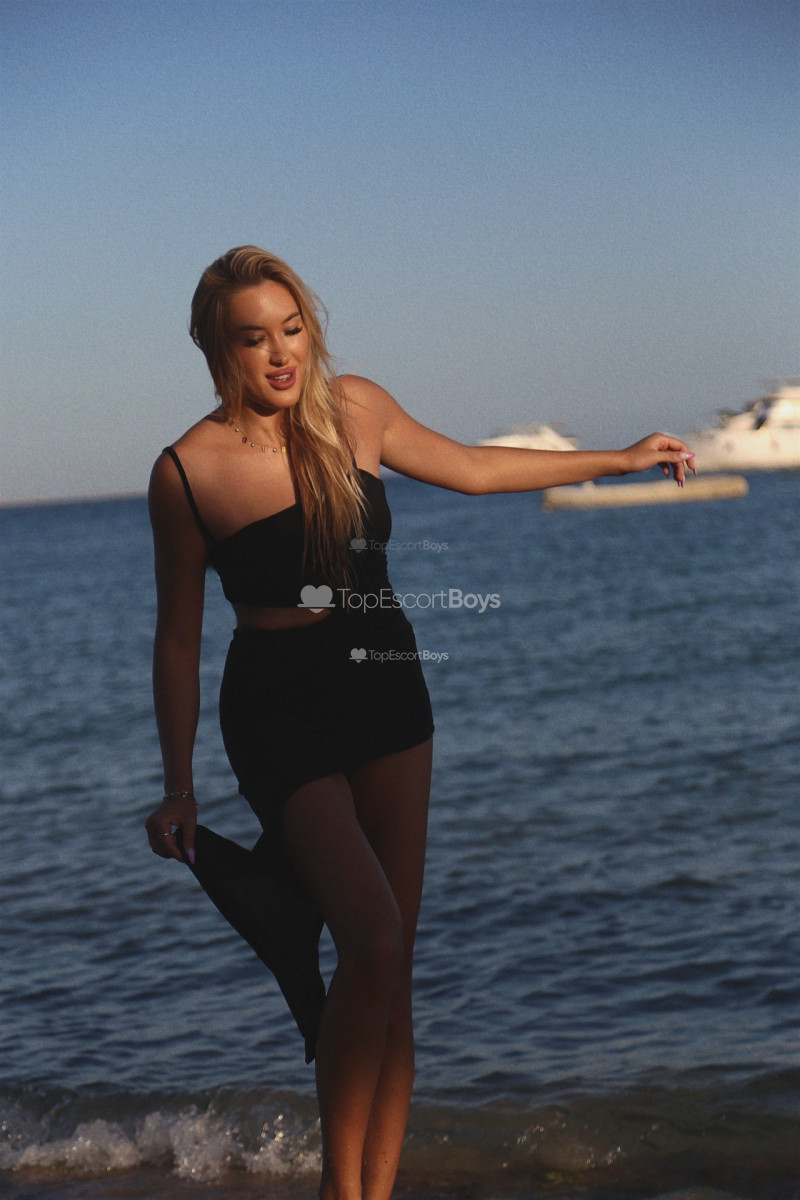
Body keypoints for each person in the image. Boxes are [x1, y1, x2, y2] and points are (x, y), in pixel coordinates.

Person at [145, 245, 695, 1200]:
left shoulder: (355, 408)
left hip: (384, 685)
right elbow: (177, 639)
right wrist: (179, 783)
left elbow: (473, 468)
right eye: (253, 338)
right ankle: (339, 1189)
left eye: (292, 328)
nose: (280, 353)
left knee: (391, 966)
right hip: (278, 710)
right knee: (372, 939)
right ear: (216, 349)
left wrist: (618, 459)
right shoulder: (186, 473)